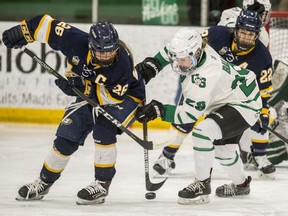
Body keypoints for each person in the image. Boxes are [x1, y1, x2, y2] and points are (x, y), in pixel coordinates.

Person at [2, 14, 145, 205]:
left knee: (104, 126)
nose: (106, 56)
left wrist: (78, 86)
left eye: (110, 51)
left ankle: (102, 183)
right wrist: (22, 31)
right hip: (91, 93)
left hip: (126, 97)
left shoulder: (121, 66)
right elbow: (46, 24)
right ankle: (44, 182)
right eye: (101, 52)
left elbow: (109, 98)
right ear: (91, 46)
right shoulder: (76, 41)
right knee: (66, 136)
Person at [136, 9, 276, 179]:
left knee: (246, 127)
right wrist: (157, 63)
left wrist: (264, 110)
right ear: (235, 29)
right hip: (198, 79)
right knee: (186, 119)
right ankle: (167, 156)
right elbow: (186, 46)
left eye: (251, 34)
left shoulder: (262, 57)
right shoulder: (218, 34)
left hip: (226, 96)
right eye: (243, 32)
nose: (246, 37)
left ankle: (258, 156)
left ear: (257, 35)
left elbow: (264, 89)